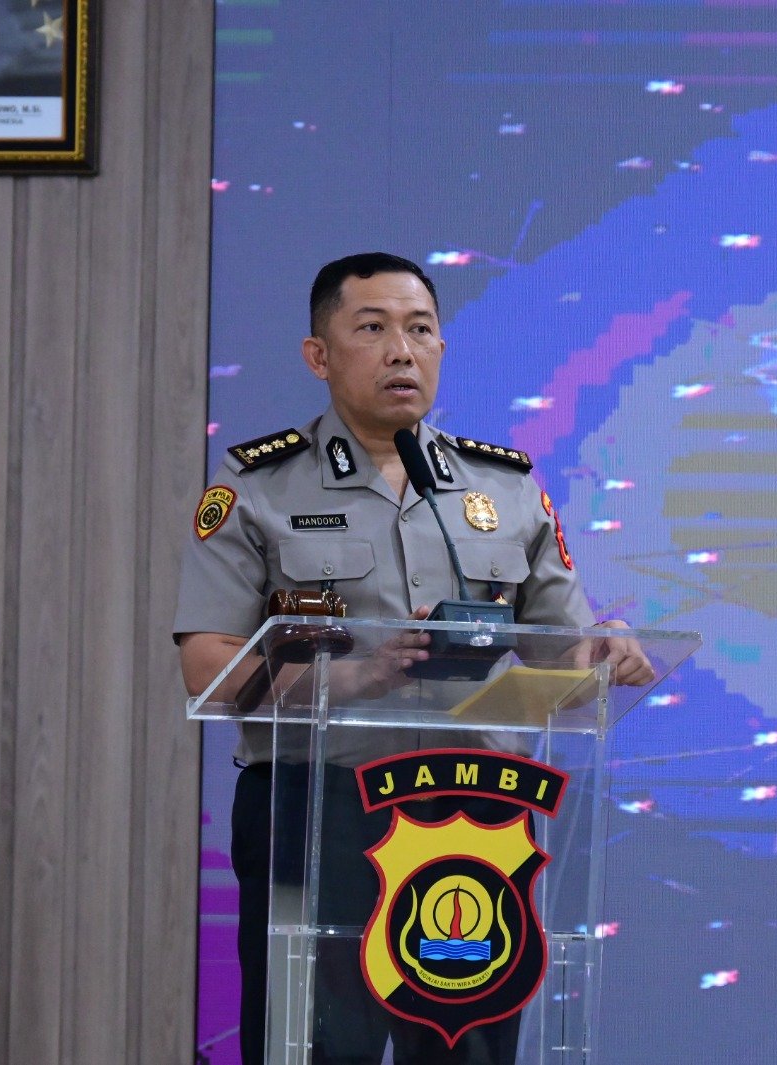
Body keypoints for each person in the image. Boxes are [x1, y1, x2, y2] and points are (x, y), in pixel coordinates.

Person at [175, 252, 653, 1065]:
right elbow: (209, 669)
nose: (402, 350)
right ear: (319, 355)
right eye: (373, 328)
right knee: (318, 1050)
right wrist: (357, 675)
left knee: (465, 1052)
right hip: (320, 811)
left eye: (421, 329)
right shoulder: (258, 485)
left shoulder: (504, 487)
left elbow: (562, 650)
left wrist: (604, 650)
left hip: (477, 813)